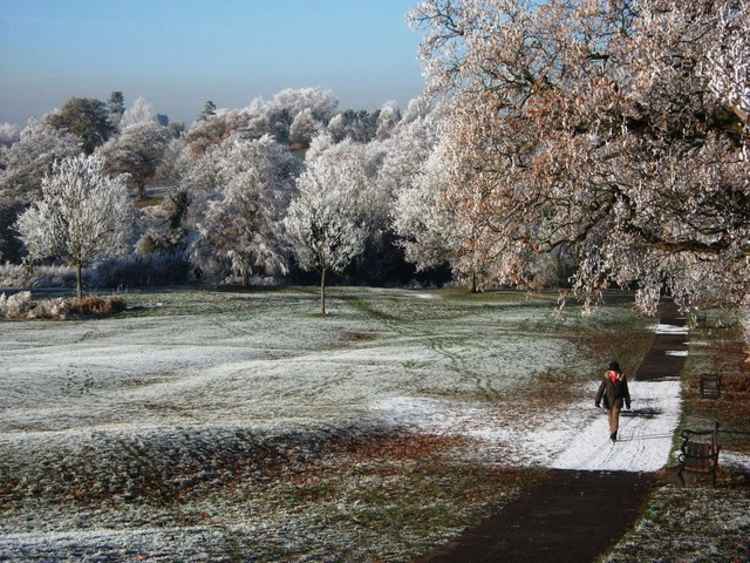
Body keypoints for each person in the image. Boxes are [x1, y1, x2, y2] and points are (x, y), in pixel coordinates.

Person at [595, 360, 631, 443]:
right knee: (610, 418)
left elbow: (626, 390)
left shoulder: (622, 377)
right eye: (611, 370)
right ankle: (612, 431)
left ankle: (614, 433)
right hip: (608, 400)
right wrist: (597, 400)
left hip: (618, 400)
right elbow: (601, 388)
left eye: (614, 370)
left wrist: (627, 402)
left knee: (615, 416)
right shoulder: (606, 377)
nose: (613, 371)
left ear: (617, 370)